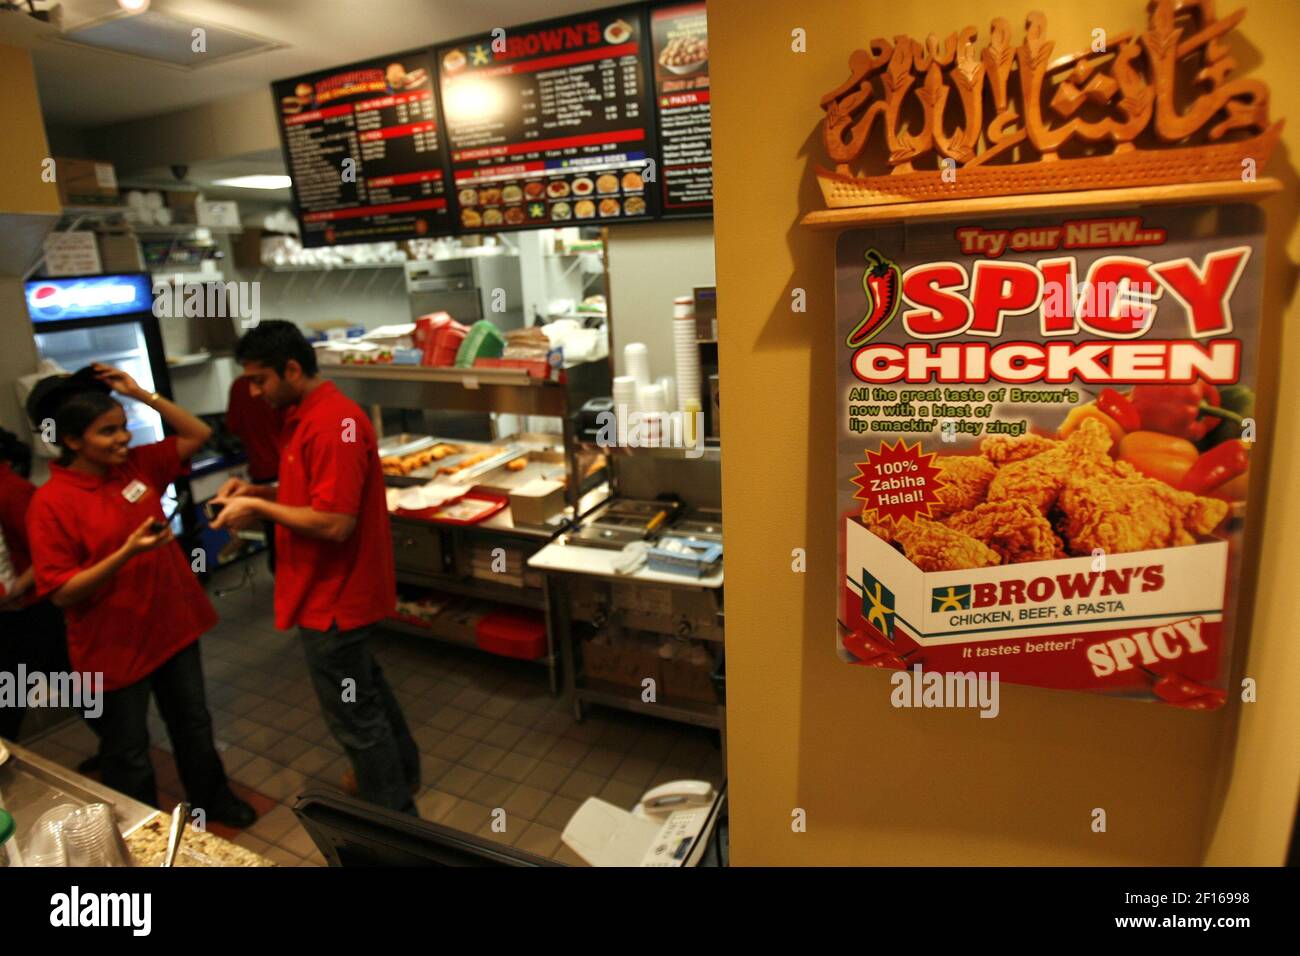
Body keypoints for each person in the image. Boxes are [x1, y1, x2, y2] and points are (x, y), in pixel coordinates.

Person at [24, 366, 256, 827]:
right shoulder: (50, 503)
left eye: (124, 426)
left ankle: (213, 802)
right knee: (127, 748)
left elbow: (199, 432)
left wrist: (141, 393)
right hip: (113, 645)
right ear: (72, 441)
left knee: (193, 724)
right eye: (107, 432)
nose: (122, 439)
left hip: (172, 626)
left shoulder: (136, 466)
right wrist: (126, 552)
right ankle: (142, 828)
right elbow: (61, 592)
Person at [211, 321, 418, 814]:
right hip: (323, 593)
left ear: (292, 369)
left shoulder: (332, 424)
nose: (256, 393)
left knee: (356, 720)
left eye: (260, 380)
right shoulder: (307, 417)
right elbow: (314, 497)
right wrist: (259, 493)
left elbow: (334, 523)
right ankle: (403, 779)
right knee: (369, 697)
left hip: (334, 598)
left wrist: (259, 511)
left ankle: (398, 831)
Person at [0, 429, 73, 743]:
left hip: (28, 612)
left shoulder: (11, 491)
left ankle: (122, 748)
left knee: (12, 699)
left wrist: (13, 592)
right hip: (16, 613)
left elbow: (46, 553)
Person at [224, 375, 285, 571]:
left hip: (262, 470)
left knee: (275, 539)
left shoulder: (240, 386)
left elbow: (233, 425)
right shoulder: (280, 386)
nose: (255, 390)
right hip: (283, 468)